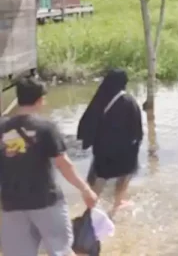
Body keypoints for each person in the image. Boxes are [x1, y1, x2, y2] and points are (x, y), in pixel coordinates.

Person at [0, 77, 98, 256]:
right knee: (60, 251)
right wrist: (85, 189)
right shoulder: (46, 128)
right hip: (45, 201)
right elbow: (64, 165)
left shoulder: (2, 128)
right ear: (39, 100)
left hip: (11, 204)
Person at [77, 69, 143, 218]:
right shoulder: (129, 101)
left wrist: (89, 142)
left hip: (102, 150)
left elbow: (88, 122)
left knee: (99, 178)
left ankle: (89, 210)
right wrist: (136, 144)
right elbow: (136, 128)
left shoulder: (101, 98)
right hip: (124, 151)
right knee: (124, 177)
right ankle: (116, 206)